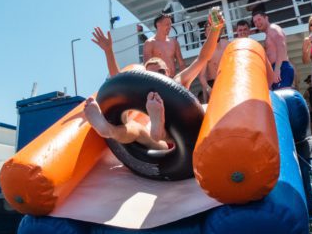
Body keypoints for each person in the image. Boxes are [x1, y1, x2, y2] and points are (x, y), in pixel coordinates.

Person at [86, 9, 225, 150]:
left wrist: (215, 30)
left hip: (191, 133)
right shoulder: (146, 95)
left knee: (157, 128)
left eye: (161, 72)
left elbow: (202, 58)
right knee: (138, 129)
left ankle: (159, 127)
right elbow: (118, 83)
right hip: (165, 146)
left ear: (168, 71)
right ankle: (108, 130)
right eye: (152, 75)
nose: (158, 77)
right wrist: (108, 50)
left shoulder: (178, 82)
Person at [252, 9, 294, 89]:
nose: (257, 23)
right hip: (277, 68)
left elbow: (281, 46)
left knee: (282, 96)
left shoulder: (273, 29)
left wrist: (277, 70)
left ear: (266, 18)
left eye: (259, 19)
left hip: (281, 68)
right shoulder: (268, 33)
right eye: (255, 22)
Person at [142, 12, 186, 78]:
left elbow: (181, 64)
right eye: (167, 24)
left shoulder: (174, 42)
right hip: (159, 81)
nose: (169, 27)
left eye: (170, 25)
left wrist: (184, 79)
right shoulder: (150, 43)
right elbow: (147, 67)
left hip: (173, 79)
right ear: (158, 25)